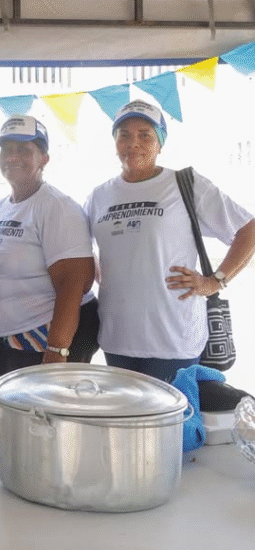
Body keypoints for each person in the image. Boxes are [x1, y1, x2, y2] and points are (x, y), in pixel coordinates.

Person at [85, 100, 255, 381]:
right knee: (124, 422)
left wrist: (215, 281)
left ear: (160, 143)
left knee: (172, 424)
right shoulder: (99, 196)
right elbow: (81, 247)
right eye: (124, 135)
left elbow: (248, 229)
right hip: (117, 337)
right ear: (114, 143)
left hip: (173, 338)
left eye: (145, 135)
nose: (133, 143)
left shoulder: (183, 184)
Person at [0, 115, 99, 423]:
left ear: (44, 158)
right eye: (6, 149)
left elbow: (75, 283)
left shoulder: (56, 207)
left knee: (28, 434)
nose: (12, 157)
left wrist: (57, 353)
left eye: (24, 150)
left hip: (38, 338)